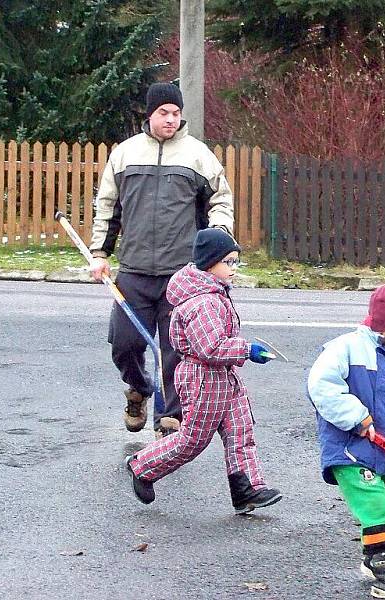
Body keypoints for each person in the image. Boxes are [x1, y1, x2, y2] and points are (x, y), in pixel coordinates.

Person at [88, 82, 234, 438]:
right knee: (125, 344)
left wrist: (216, 237)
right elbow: (108, 206)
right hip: (134, 270)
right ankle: (139, 389)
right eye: (163, 113)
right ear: (150, 114)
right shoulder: (124, 155)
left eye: (176, 114)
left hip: (180, 274)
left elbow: (221, 199)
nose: (170, 120)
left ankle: (169, 420)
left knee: (175, 350)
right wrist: (99, 253)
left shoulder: (198, 155)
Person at [124, 228, 282, 514]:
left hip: (225, 378)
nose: (233, 268)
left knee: (240, 432)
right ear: (210, 263)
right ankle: (142, 466)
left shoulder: (214, 292)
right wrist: (247, 350)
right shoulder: (203, 301)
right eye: (228, 262)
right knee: (193, 441)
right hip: (203, 380)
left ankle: (247, 489)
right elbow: (209, 348)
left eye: (235, 262)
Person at [307, 282, 385, 600]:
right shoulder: (346, 348)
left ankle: (376, 554)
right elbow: (321, 386)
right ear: (382, 324)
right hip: (350, 449)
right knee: (375, 504)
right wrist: (356, 417)